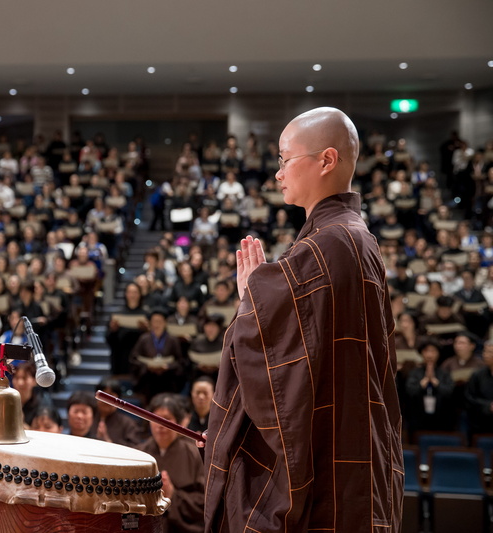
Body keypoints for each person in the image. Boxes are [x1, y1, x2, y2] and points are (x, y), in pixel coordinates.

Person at [203, 108, 403, 532]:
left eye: (284, 159)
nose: (277, 173)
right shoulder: (355, 238)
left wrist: (250, 304)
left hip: (329, 457)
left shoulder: (328, 245)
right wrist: (260, 299)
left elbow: (270, 355)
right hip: (355, 441)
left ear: (326, 160)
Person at [137, 393, 205, 533]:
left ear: (178, 423)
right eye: (155, 419)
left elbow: (207, 499)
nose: (160, 425)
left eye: (167, 419)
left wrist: (172, 495)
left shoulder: (195, 454)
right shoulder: (139, 453)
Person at [95, 377, 142, 447]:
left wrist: (108, 442)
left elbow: (136, 449)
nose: (106, 401)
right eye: (104, 396)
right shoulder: (87, 418)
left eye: (111, 396)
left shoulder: (128, 423)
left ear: (119, 399)